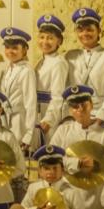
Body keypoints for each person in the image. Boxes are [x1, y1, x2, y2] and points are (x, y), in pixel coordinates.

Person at [47, 84, 104, 209]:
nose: (79, 109)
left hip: (98, 198)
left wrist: (98, 166)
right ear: (70, 110)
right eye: (74, 106)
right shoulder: (63, 131)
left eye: (83, 105)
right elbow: (52, 159)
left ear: (91, 105)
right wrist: (76, 163)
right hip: (72, 194)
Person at [64, 7, 104, 131]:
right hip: (78, 115)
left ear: (99, 31)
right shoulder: (71, 56)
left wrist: (103, 115)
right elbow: (67, 88)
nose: (85, 34)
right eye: (80, 30)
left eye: (89, 29)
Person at [0, 26, 38, 150]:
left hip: (20, 122)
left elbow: (30, 103)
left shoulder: (27, 71)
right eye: (7, 47)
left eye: (15, 48)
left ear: (24, 50)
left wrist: (29, 133)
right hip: (4, 121)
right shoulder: (6, 70)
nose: (10, 51)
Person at [34, 14, 69, 143]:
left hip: (49, 112)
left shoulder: (58, 63)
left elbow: (58, 95)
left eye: (50, 38)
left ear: (59, 41)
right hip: (38, 112)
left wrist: (49, 119)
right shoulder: (40, 62)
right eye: (42, 37)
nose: (45, 42)